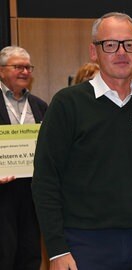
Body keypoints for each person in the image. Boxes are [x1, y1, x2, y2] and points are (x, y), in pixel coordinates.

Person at [31, 12, 132, 270]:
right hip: (83, 243)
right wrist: (56, 249)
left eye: (130, 44)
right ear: (94, 52)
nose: (121, 52)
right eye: (110, 44)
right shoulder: (67, 103)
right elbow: (45, 179)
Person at [0, 46, 47, 270]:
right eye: (18, 67)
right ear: (1, 71)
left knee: (30, 255)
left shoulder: (40, 106)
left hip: (31, 192)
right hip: (2, 193)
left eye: (28, 67)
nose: (25, 72)